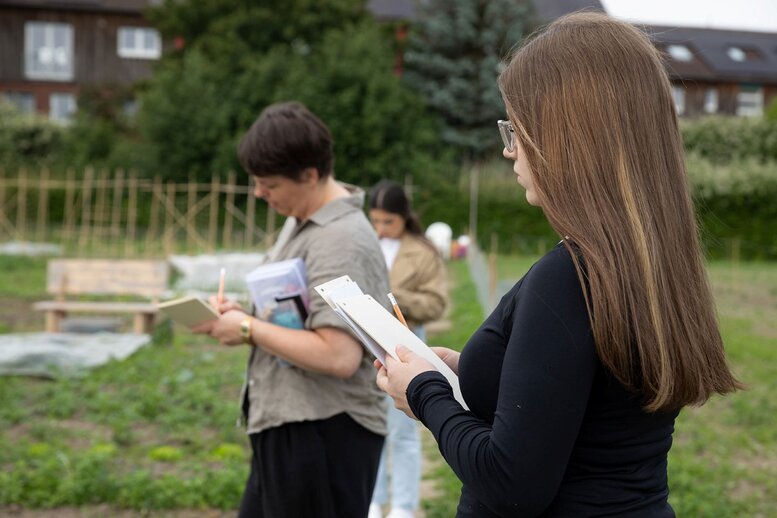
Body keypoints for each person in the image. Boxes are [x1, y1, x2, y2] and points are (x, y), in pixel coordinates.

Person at [375, 12, 742, 518]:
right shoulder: (643, 266)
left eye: (516, 130)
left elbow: (511, 483)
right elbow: (578, 398)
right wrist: (465, 369)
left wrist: (424, 392)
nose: (510, 152)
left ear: (566, 140)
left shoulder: (569, 278)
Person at [193, 101, 390, 517]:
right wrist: (242, 312)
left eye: (269, 184)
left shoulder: (340, 240)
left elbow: (338, 355)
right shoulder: (302, 221)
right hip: (292, 425)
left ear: (311, 175)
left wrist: (247, 328)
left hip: (325, 434)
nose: (259, 193)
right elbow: (294, 308)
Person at [367, 180, 448, 518]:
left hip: (403, 346)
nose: (381, 229)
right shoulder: (364, 243)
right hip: (365, 344)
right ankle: (372, 500)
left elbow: (436, 303)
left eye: (389, 222)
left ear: (404, 217)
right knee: (370, 425)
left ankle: (402, 505)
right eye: (375, 221)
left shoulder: (423, 252)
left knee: (402, 428)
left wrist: (393, 295)